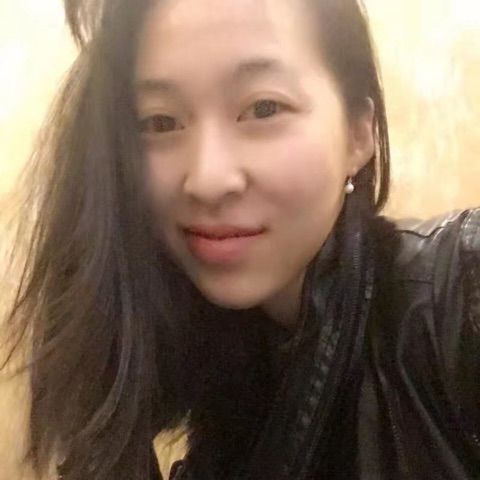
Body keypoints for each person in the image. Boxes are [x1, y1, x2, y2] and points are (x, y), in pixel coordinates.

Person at [2, 0, 479, 479]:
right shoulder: (210, 378)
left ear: (358, 133)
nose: (208, 179)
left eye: (263, 108)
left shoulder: (459, 296)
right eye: (160, 121)